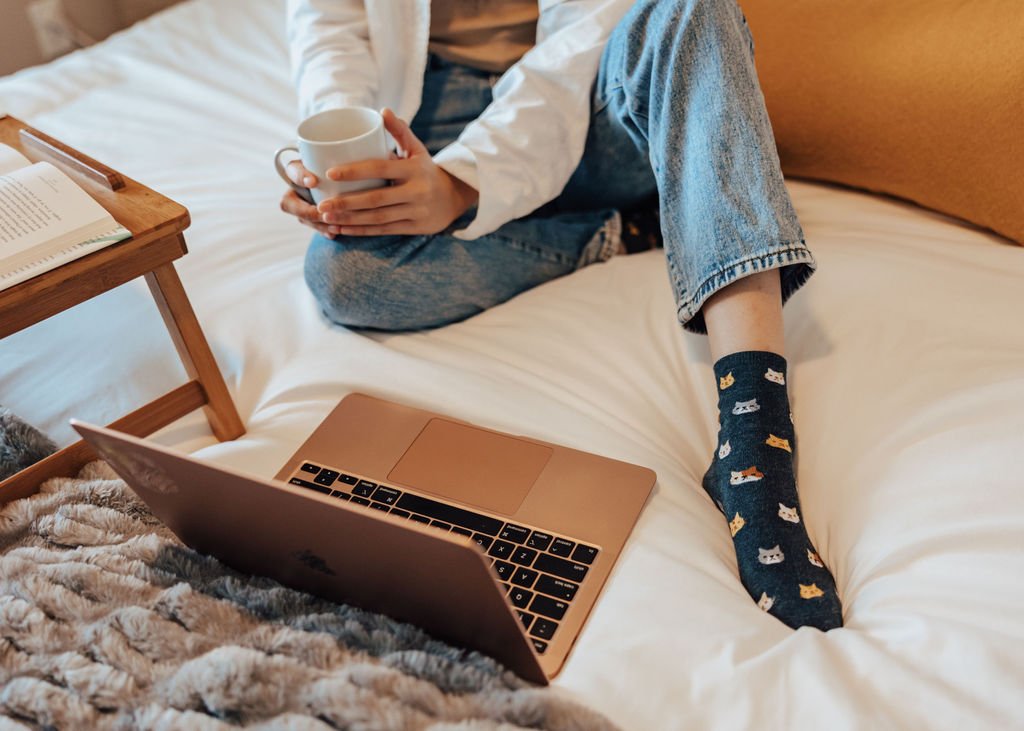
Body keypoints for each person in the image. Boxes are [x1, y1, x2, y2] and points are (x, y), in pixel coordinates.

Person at [280, 0, 843, 631]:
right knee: (343, 275)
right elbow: (329, 24)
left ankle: (756, 451)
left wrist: (464, 184)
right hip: (426, 108)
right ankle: (618, 231)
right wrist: (339, 152)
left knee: (696, 10)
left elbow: (584, 38)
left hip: (587, 93)